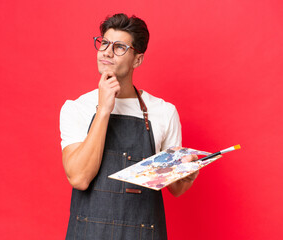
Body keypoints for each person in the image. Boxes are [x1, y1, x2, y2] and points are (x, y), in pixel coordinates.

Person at [59, 13, 199, 240]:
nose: (106, 52)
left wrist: (188, 176)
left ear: (138, 60)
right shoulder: (76, 108)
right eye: (104, 43)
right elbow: (79, 178)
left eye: (120, 47)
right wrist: (104, 109)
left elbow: (176, 188)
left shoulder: (163, 112)